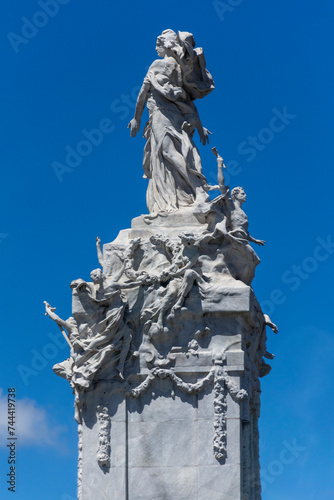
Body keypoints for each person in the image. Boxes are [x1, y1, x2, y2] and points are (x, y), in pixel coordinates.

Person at [128, 29, 213, 213]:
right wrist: (199, 126)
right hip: (176, 115)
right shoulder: (179, 68)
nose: (156, 48)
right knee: (175, 153)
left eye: (158, 44)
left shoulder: (158, 64)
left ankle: (198, 189)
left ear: (165, 45)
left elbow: (143, 93)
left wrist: (136, 118)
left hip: (161, 115)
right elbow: (185, 100)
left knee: (167, 152)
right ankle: (188, 194)